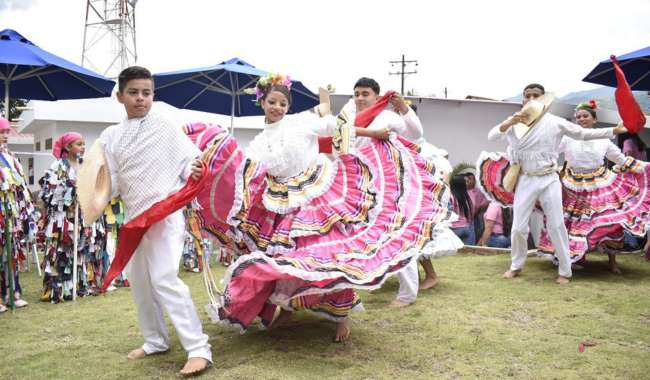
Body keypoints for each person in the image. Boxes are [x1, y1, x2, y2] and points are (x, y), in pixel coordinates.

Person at [196, 73, 454, 340]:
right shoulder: (259, 142)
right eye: (272, 102)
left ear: (288, 107)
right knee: (287, 258)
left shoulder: (300, 123)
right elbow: (249, 171)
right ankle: (288, 308)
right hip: (281, 203)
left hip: (316, 196)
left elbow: (337, 127)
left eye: (282, 104)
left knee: (330, 255)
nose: (277, 108)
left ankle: (341, 316)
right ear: (262, 103)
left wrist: (373, 133)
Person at [97, 66, 211, 376]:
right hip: (134, 219)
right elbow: (113, 182)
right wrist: (97, 195)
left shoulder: (164, 124)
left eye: (146, 93)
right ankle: (155, 340)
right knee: (141, 284)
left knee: (163, 278)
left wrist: (193, 171)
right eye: (133, 92)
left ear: (153, 96)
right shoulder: (110, 136)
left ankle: (199, 348)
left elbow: (189, 160)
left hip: (165, 213)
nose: (140, 99)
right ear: (120, 96)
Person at [488, 83, 627, 284]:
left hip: (549, 178)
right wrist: (508, 122)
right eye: (528, 95)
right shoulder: (514, 122)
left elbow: (583, 134)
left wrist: (614, 130)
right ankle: (516, 265)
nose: (532, 98)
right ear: (523, 100)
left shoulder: (555, 122)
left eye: (536, 95)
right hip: (526, 178)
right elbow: (492, 137)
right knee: (518, 227)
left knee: (556, 224)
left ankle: (565, 270)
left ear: (544, 98)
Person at [345, 77, 461, 307]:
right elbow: (340, 140)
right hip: (360, 184)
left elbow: (416, 133)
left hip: (389, 186)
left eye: (365, 93)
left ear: (376, 97)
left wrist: (403, 108)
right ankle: (365, 284)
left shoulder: (387, 116)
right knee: (363, 234)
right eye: (357, 93)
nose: (360, 98)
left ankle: (407, 293)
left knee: (395, 233)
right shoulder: (348, 116)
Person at [537, 100, 650, 273]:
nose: (581, 119)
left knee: (610, 220)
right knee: (569, 223)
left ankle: (612, 261)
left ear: (594, 119)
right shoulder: (568, 138)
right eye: (578, 117)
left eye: (585, 116)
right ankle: (573, 258)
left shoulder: (603, 139)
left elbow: (620, 159)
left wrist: (643, 168)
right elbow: (549, 151)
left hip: (599, 185)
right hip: (571, 186)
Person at [40, 132, 108, 302]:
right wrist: (70, 192)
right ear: (68, 147)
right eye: (79, 144)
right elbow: (47, 193)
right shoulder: (57, 166)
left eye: (84, 144)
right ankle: (59, 288)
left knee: (82, 250)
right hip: (63, 219)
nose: (83, 147)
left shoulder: (86, 165)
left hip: (83, 217)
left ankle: (80, 284)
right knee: (63, 252)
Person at [0, 117, 37, 312]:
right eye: (2, 132)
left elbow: (19, 186)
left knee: (11, 255)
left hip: (10, 215)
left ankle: (12, 293)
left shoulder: (11, 158)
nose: (5, 135)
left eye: (6, 132)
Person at [450, 174, 476, 244]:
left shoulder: (451, 197)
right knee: (466, 252)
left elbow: (447, 213)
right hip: (466, 227)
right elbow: (472, 213)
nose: (468, 183)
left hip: (454, 228)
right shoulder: (467, 198)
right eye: (466, 181)